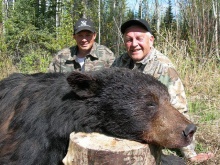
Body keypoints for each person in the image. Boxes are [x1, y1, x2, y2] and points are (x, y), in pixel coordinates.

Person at [111, 18, 214, 163]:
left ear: (151, 40)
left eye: (139, 38)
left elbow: (179, 109)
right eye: (129, 39)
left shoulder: (163, 68)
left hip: (156, 126)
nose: (134, 44)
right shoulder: (120, 62)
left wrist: (190, 154)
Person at [48, 18, 115, 73]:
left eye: (88, 35)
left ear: (94, 36)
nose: (84, 39)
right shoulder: (61, 57)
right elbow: (50, 82)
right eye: (80, 35)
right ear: (74, 37)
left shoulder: (107, 55)